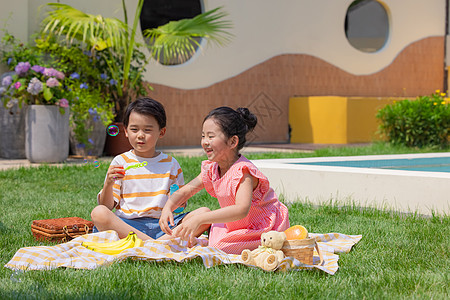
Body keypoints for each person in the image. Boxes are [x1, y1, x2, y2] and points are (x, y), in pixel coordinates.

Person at [159, 106, 290, 254]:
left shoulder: (242, 172)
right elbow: (188, 190)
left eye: (211, 136)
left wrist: (200, 219)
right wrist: (168, 207)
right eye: (203, 136)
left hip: (263, 227)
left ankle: (180, 243)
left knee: (219, 247)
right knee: (215, 235)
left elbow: (241, 209)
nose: (205, 142)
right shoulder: (213, 169)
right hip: (237, 225)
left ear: (232, 141)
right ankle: (158, 244)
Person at [91, 97, 210, 241]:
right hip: (128, 226)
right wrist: (108, 184)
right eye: (134, 129)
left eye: (147, 130)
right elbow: (107, 206)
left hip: (164, 226)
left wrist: (179, 204)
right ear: (126, 131)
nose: (140, 135)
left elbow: (178, 207)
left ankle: (150, 244)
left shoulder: (171, 164)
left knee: (204, 213)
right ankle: (159, 245)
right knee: (99, 212)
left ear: (162, 132)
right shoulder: (120, 161)